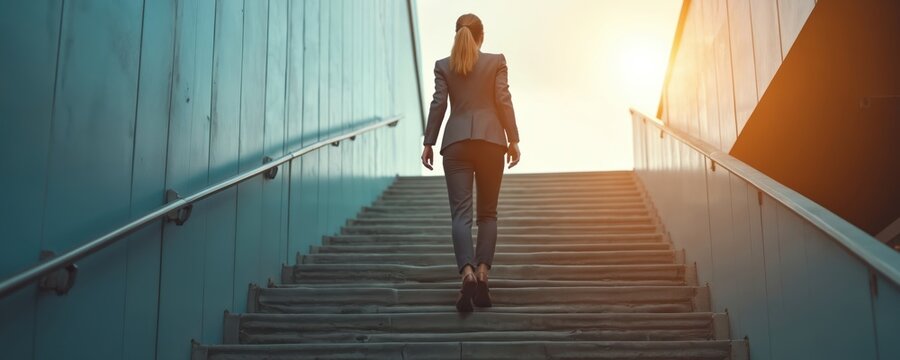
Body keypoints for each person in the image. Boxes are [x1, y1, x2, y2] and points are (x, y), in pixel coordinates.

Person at [420, 13, 521, 312]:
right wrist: (513, 138)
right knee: (488, 214)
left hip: (456, 144)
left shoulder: (444, 66)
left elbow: (438, 103)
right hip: (491, 142)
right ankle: (482, 274)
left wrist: (429, 142)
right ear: (482, 36)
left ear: (457, 35)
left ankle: (465, 273)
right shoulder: (496, 61)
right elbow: (504, 99)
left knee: (460, 215)